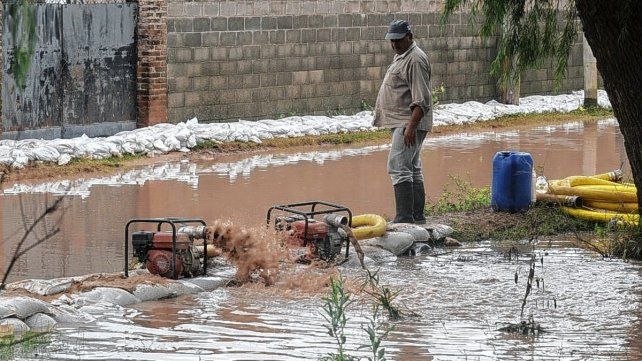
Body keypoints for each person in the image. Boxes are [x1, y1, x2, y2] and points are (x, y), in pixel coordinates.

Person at [374, 20, 433, 224]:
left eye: (398, 40)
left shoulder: (415, 60)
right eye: (392, 40)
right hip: (404, 123)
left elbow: (421, 99)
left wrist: (410, 128)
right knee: (412, 167)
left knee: (398, 166)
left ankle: (404, 218)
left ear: (410, 37)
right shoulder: (403, 56)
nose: (394, 45)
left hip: (408, 123)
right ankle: (417, 216)